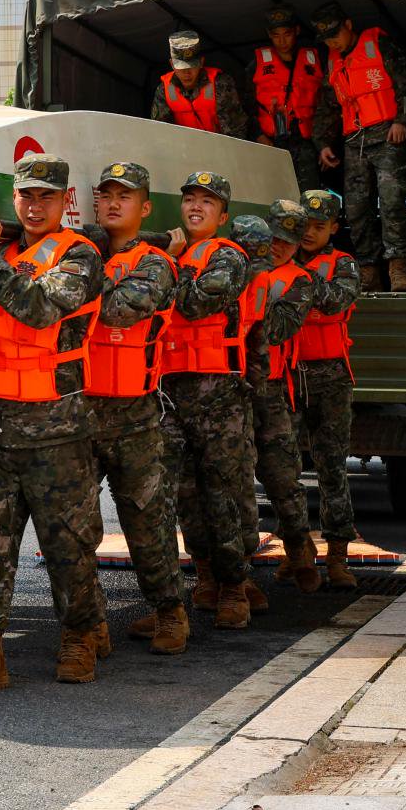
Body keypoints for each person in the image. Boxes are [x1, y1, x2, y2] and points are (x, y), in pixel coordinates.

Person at [0, 156, 106, 693]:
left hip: (58, 431)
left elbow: (37, 309)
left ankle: (80, 639)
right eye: (26, 196)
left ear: (65, 202)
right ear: (14, 199)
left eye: (46, 198)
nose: (35, 207)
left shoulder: (80, 256)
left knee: (67, 545)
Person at [83, 162, 188, 654]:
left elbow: (117, 308)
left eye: (125, 196)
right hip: (78, 412)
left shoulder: (156, 264)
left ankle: (170, 613)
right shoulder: (78, 252)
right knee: (76, 525)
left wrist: (72, 276)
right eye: (105, 195)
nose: (113, 203)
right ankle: (89, 623)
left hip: (135, 414)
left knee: (146, 520)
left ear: (143, 208)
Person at [156, 171, 261, 631]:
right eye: (190, 200)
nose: (196, 207)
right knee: (185, 495)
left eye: (207, 202)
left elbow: (196, 304)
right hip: (170, 386)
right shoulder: (172, 256)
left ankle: (236, 588)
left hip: (216, 391)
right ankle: (204, 579)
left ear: (223, 215)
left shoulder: (229, 258)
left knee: (222, 493)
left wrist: (171, 264)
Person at [241, 205, 321, 594]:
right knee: (234, 484)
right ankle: (237, 577)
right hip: (233, 387)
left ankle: (300, 551)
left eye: (287, 243)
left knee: (282, 479)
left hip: (271, 392)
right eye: (272, 239)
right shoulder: (236, 265)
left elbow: (274, 328)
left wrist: (250, 293)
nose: (277, 248)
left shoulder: (299, 282)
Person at [311, 5, 406, 292]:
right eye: (327, 39)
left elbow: (405, 81)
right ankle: (368, 270)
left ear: (348, 24)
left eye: (335, 35)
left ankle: (397, 268)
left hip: (387, 135)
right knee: (357, 208)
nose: (333, 42)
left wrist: (402, 120)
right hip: (353, 141)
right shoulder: (333, 62)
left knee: (392, 200)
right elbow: (327, 106)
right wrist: (323, 145)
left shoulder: (378, 44)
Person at [295, 189, 362, 591]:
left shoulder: (344, 265)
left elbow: (335, 303)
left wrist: (296, 279)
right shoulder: (282, 261)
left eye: (319, 226)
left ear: (334, 228)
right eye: (304, 224)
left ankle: (338, 556)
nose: (309, 233)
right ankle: (297, 552)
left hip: (331, 377)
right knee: (284, 471)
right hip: (290, 373)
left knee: (332, 468)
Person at [248, 7, 325, 192]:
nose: (282, 41)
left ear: (296, 31)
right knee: (276, 197)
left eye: (287, 34)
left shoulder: (315, 58)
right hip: (272, 142)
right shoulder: (257, 63)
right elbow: (245, 105)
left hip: (306, 142)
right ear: (269, 34)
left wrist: (324, 141)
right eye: (276, 35)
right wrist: (258, 135)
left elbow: (327, 103)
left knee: (310, 197)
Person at [152, 29, 248, 138]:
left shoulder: (220, 84)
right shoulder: (164, 90)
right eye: (181, 67)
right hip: (183, 150)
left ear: (201, 62)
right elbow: (161, 133)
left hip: (219, 148)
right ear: (172, 64)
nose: (186, 72)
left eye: (192, 65)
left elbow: (236, 131)